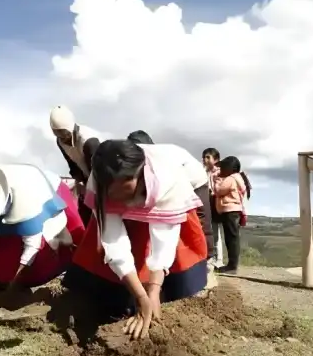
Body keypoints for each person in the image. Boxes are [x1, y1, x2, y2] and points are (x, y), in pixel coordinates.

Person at [63, 139, 208, 340]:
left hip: (186, 181)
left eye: (128, 191)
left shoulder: (170, 178)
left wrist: (154, 290)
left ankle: (178, 289)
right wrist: (140, 297)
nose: (125, 202)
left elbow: (164, 242)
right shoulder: (97, 184)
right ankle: (126, 294)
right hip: (141, 187)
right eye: (117, 196)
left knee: (178, 252)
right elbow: (113, 243)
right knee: (127, 245)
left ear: (139, 176)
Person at [0, 164, 86, 301]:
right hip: (13, 199)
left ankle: (62, 272)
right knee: (0, 254)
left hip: (46, 190)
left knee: (56, 244)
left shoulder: (26, 203)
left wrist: (14, 284)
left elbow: (32, 248)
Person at [126, 131, 216, 271]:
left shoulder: (161, 155)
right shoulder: (141, 159)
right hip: (175, 184)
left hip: (196, 182)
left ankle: (207, 260)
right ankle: (174, 263)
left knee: (200, 220)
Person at [49, 105, 101, 225]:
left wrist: (92, 188)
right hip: (87, 179)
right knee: (85, 214)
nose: (62, 138)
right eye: (57, 133)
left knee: (101, 216)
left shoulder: (89, 141)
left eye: (64, 133)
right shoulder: (60, 141)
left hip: (102, 179)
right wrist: (80, 182)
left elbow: (99, 170)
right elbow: (72, 164)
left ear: (70, 128)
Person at [213, 156, 251, 275]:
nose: (221, 170)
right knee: (232, 238)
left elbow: (219, 190)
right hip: (233, 212)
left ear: (230, 168)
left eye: (223, 167)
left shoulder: (231, 179)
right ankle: (232, 265)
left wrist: (217, 179)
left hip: (230, 211)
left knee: (231, 239)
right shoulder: (237, 178)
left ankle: (232, 266)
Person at [202, 147, 224, 268]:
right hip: (208, 202)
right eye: (204, 157)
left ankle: (219, 259)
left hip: (215, 202)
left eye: (208, 157)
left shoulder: (219, 172)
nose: (205, 159)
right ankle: (212, 257)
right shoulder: (204, 172)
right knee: (209, 230)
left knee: (216, 232)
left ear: (216, 159)